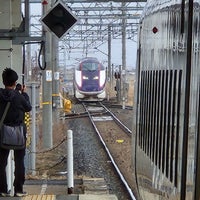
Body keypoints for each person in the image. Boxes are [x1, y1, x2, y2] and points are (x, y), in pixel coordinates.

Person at [0, 68, 32, 197]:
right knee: (19, 162)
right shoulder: (19, 97)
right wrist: (24, 93)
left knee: (1, 163)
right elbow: (28, 107)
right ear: (15, 82)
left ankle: (2, 190)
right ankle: (18, 190)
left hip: (2, 134)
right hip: (18, 133)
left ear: (3, 81)